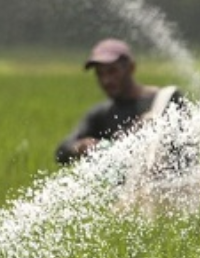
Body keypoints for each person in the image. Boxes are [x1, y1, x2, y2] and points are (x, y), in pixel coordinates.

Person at [54, 38, 187, 165]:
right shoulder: (102, 114)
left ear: (131, 68)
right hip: (130, 188)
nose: (106, 80)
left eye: (112, 71)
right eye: (100, 74)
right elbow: (61, 152)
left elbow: (187, 151)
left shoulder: (166, 100)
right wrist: (80, 147)